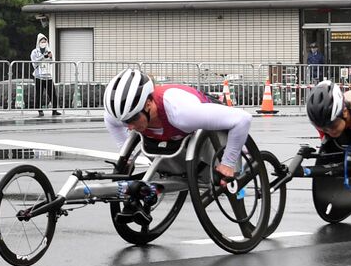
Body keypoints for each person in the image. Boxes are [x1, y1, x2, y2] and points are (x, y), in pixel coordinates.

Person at [102, 69, 253, 189]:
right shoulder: (123, 114)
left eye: (133, 119)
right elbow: (111, 122)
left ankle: (246, 155)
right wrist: (128, 158)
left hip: (202, 111)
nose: (129, 127)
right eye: (124, 121)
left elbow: (242, 119)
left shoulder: (182, 114)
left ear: (148, 104)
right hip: (175, 133)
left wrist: (228, 163)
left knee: (236, 147)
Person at [30, 34, 60, 117]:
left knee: (53, 94)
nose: (44, 43)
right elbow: (34, 63)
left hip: (48, 75)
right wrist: (43, 56)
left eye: (45, 41)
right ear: (38, 42)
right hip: (38, 76)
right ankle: (40, 110)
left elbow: (52, 62)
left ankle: (54, 110)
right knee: (39, 94)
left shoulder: (49, 50)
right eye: (42, 42)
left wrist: (50, 57)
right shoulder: (35, 52)